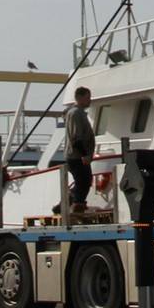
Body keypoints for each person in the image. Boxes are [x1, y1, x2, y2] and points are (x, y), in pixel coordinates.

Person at [64, 87, 95, 216]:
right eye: (88, 97)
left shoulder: (79, 113)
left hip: (78, 155)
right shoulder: (76, 113)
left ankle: (67, 203)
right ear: (80, 98)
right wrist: (84, 155)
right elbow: (76, 138)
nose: (90, 100)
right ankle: (77, 206)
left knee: (83, 181)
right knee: (84, 181)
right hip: (76, 156)